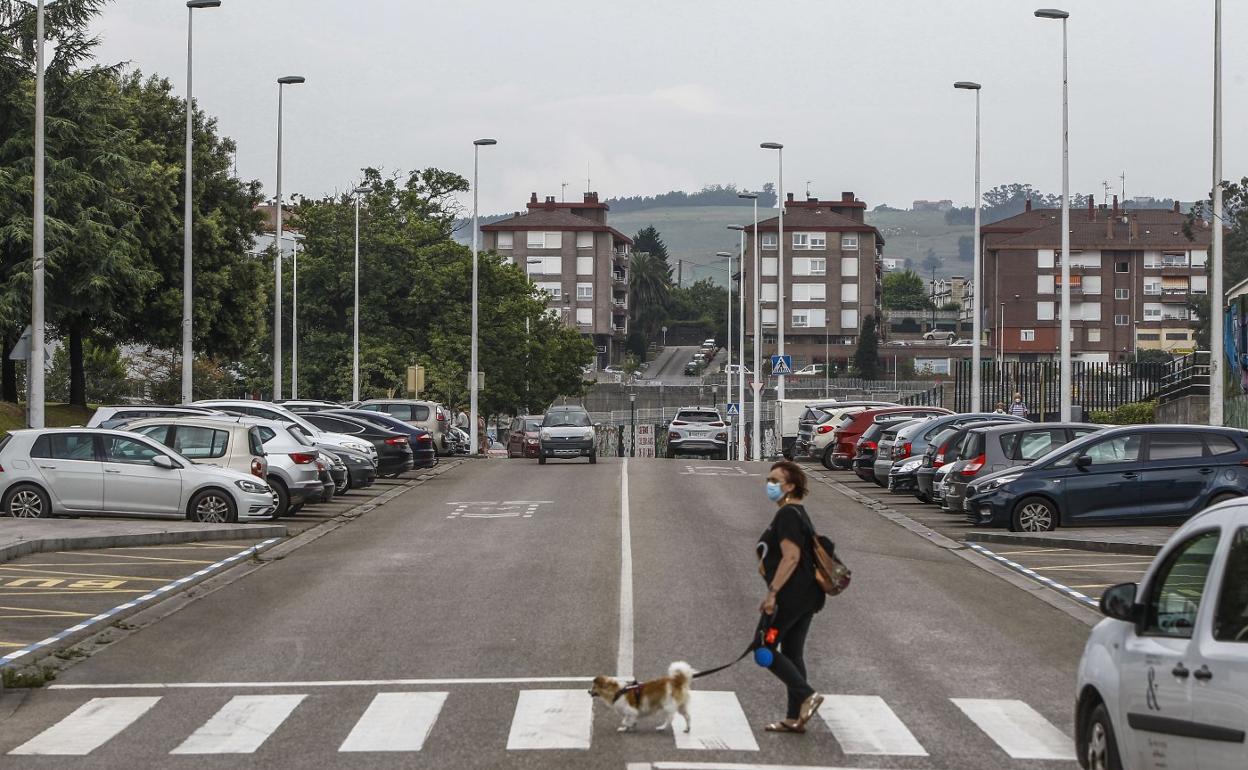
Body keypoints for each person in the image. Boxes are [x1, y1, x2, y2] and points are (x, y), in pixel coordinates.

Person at [755, 459, 825, 734]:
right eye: (768, 481)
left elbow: (791, 557)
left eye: (775, 481)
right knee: (793, 653)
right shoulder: (798, 513)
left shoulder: (787, 515)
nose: (770, 486)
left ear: (790, 486)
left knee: (764, 648)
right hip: (807, 597)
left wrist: (772, 594)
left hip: (789, 598)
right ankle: (795, 717)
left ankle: (806, 693)